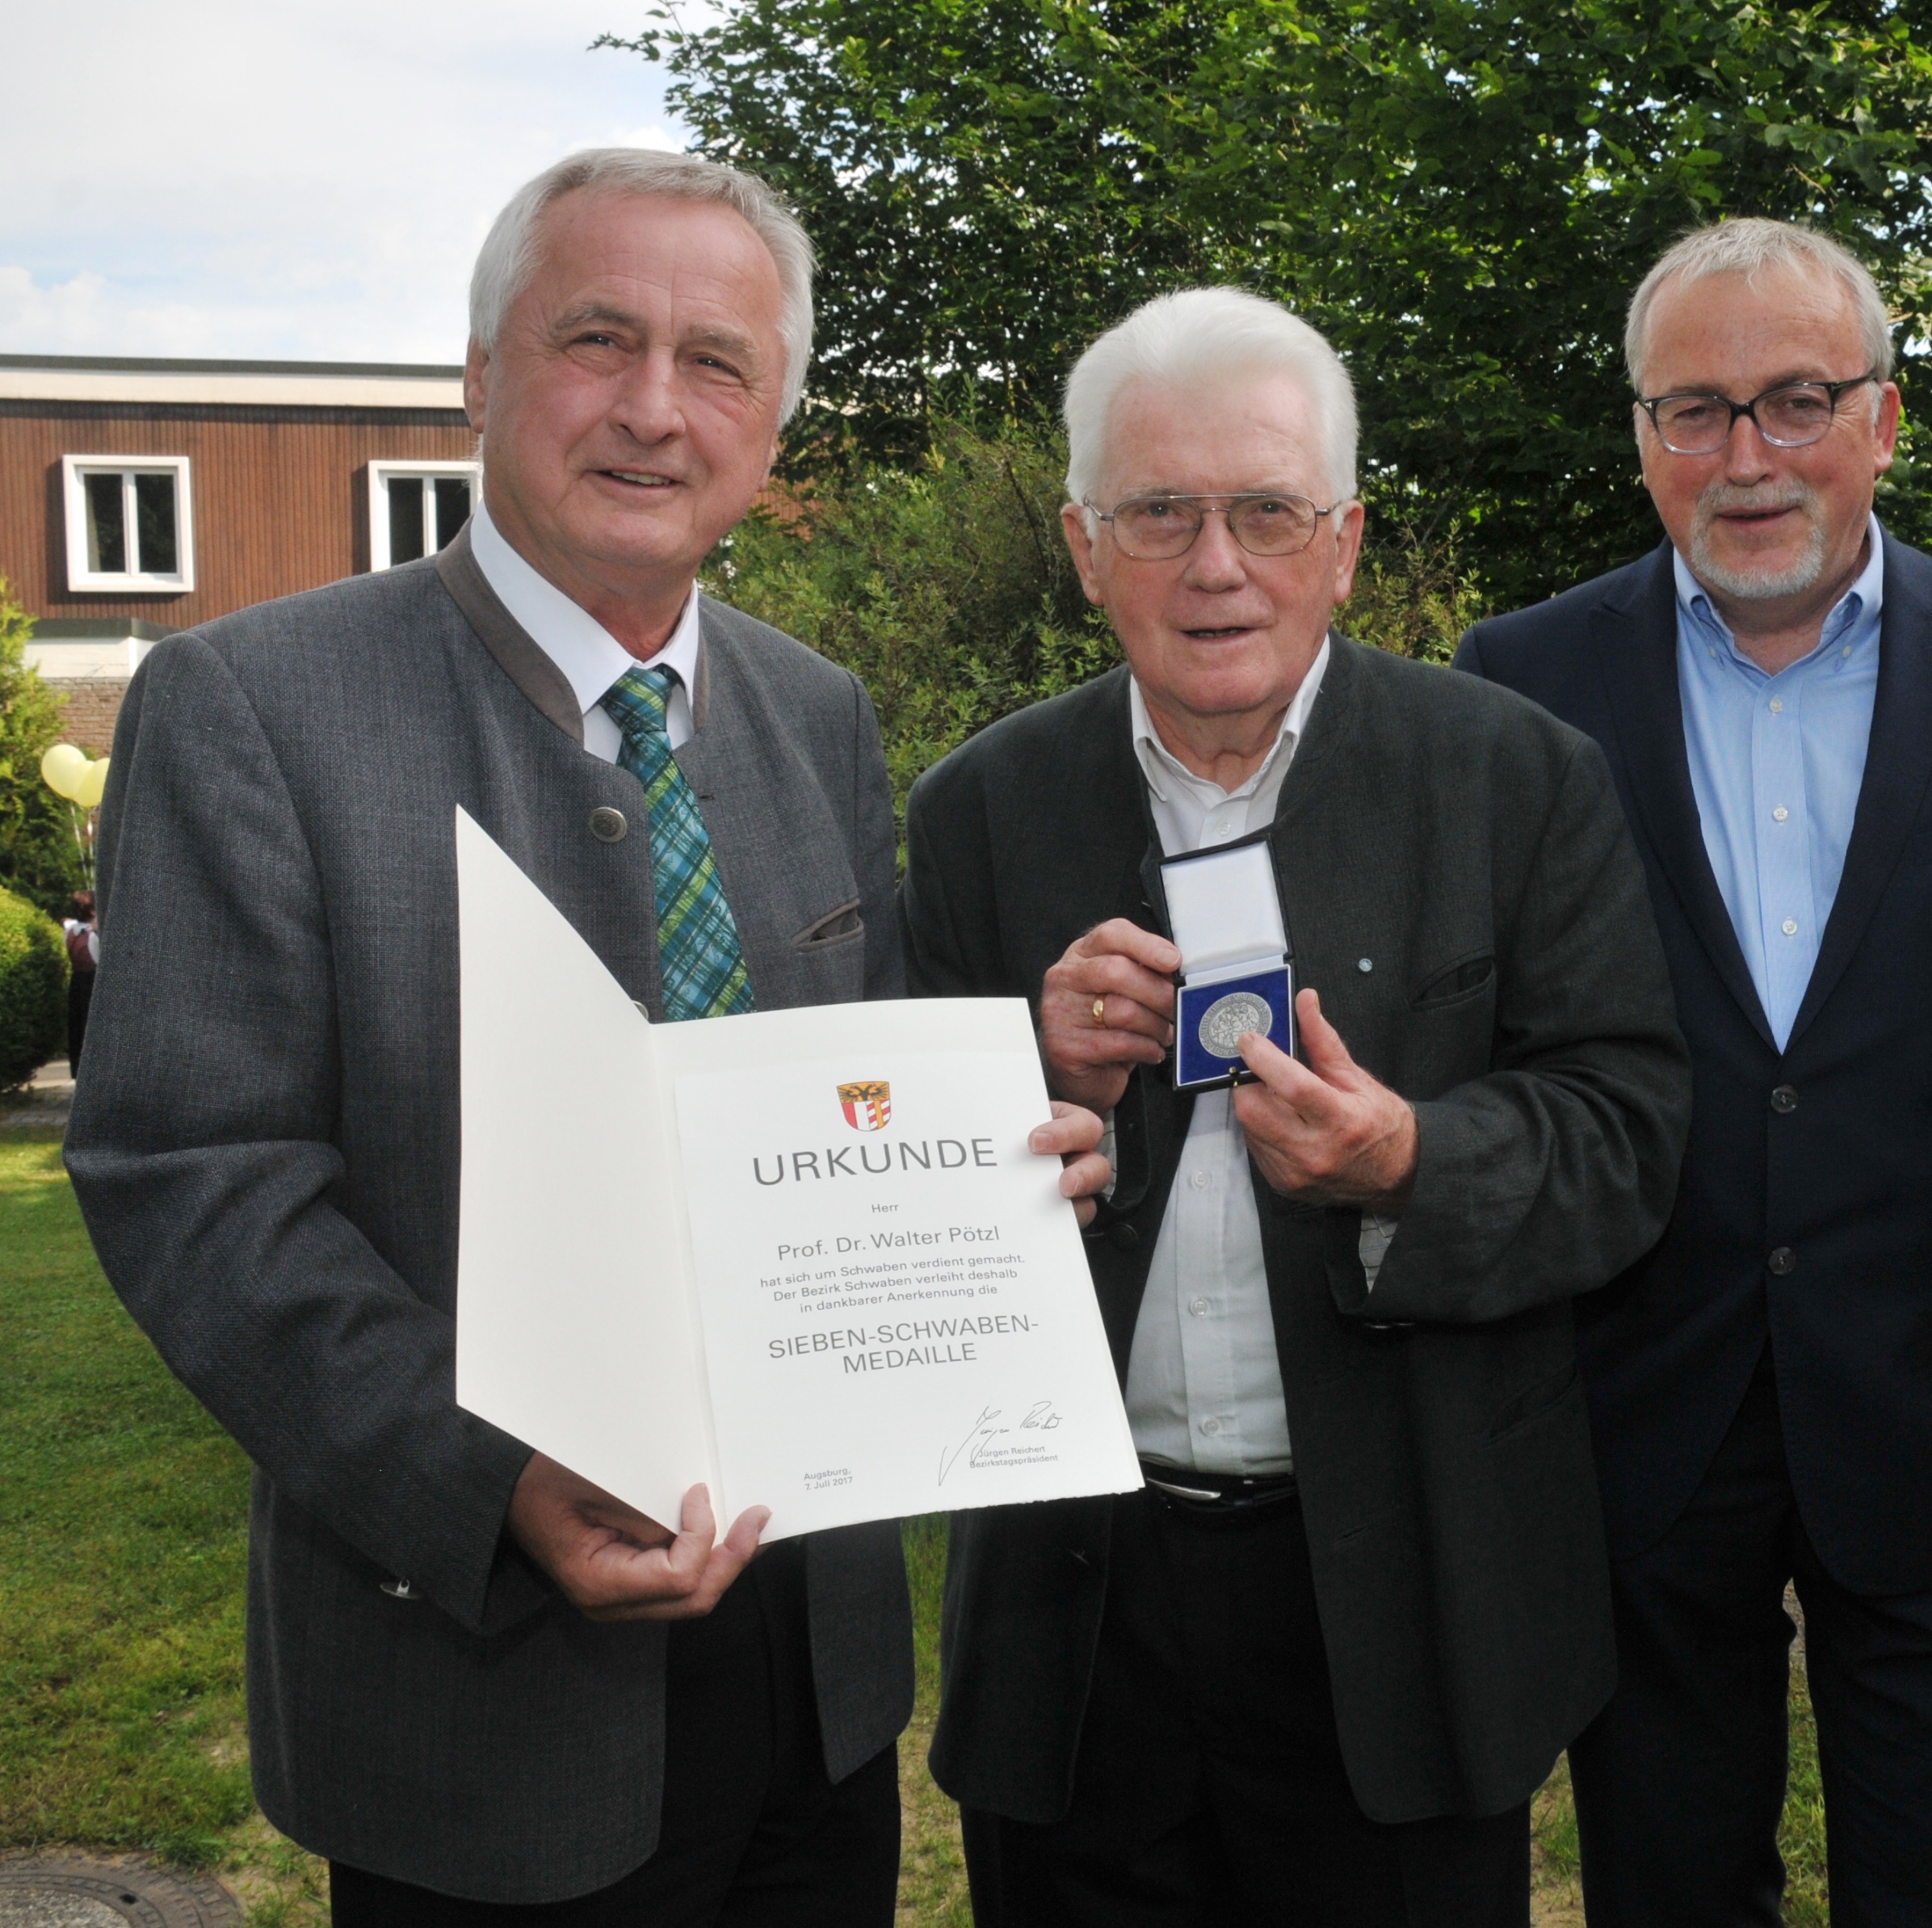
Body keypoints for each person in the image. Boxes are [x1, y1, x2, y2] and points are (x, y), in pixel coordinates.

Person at [66, 149, 1107, 1925]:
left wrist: (1001, 1155)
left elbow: (848, 1088)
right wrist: (487, 1484)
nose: (651, 407)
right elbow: (193, 1176)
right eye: (595, 338)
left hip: (812, 1683)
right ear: (478, 373)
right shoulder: (248, 705)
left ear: (773, 426)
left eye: (717, 362)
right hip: (475, 1700)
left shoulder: (815, 710)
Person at [902, 285, 1694, 1928]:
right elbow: (901, 1212)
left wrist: (1406, 1156)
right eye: (1159, 512)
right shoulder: (980, 809)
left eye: (1265, 509)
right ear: (1081, 541)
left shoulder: (1511, 776)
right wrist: (1034, 1086)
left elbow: (1623, 1134)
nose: (1214, 563)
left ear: (1340, 540)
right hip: (1082, 1601)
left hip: (1402, 1592)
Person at [1457, 219, 1932, 1926]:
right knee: (1667, 1886)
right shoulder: (1520, 687)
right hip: (1635, 1410)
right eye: (1692, 408)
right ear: (1636, 436)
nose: (1744, 456)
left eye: (1792, 400)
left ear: (1883, 418)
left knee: (1931, 1891)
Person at [60, 888, 94, 1071]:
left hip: (76, 981)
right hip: (92, 983)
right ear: (92, 911)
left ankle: (78, 1068)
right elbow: (98, 960)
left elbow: (66, 924)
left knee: (77, 1028)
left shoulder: (71, 931)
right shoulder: (92, 934)